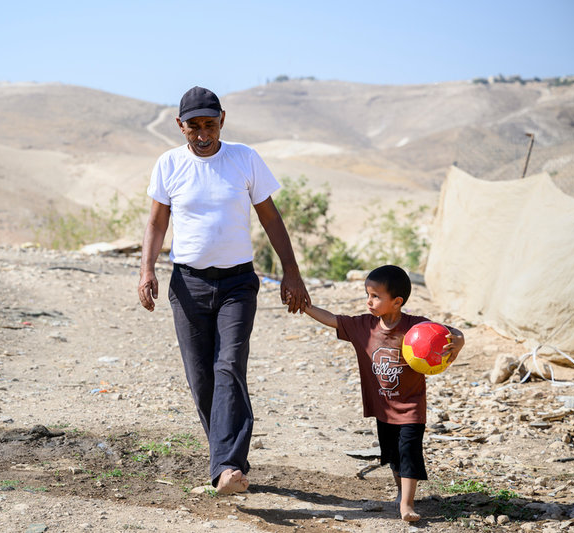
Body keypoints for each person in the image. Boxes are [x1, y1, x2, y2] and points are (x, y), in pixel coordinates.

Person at [138, 86, 310, 494]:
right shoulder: (169, 165)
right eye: (193, 126)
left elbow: (271, 218)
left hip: (237, 283)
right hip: (188, 284)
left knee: (229, 365)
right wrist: (147, 269)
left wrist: (292, 272)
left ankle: (228, 467)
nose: (202, 134)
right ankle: (225, 460)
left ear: (222, 121)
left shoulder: (244, 159)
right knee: (202, 378)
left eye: (209, 125)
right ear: (180, 126)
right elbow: (156, 224)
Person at [302, 264, 464, 522]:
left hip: (411, 407)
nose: (369, 301)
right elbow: (333, 319)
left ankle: (407, 506)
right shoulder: (364, 327)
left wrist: (460, 339)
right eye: (367, 295)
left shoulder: (417, 328)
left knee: (409, 452)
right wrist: (305, 306)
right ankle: (402, 492)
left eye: (376, 297)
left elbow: (449, 332)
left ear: (397, 302)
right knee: (393, 456)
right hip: (384, 408)